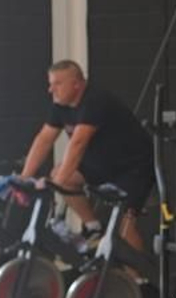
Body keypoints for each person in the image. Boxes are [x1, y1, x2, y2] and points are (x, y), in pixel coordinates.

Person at [19, 60, 154, 253]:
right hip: (102, 163)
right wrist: (24, 178)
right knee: (62, 176)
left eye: (57, 84)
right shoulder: (61, 105)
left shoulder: (95, 100)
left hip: (132, 168)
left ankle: (137, 279)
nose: (51, 90)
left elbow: (78, 143)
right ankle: (93, 227)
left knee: (124, 225)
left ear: (77, 84)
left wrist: (54, 184)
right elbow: (44, 140)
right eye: (50, 83)